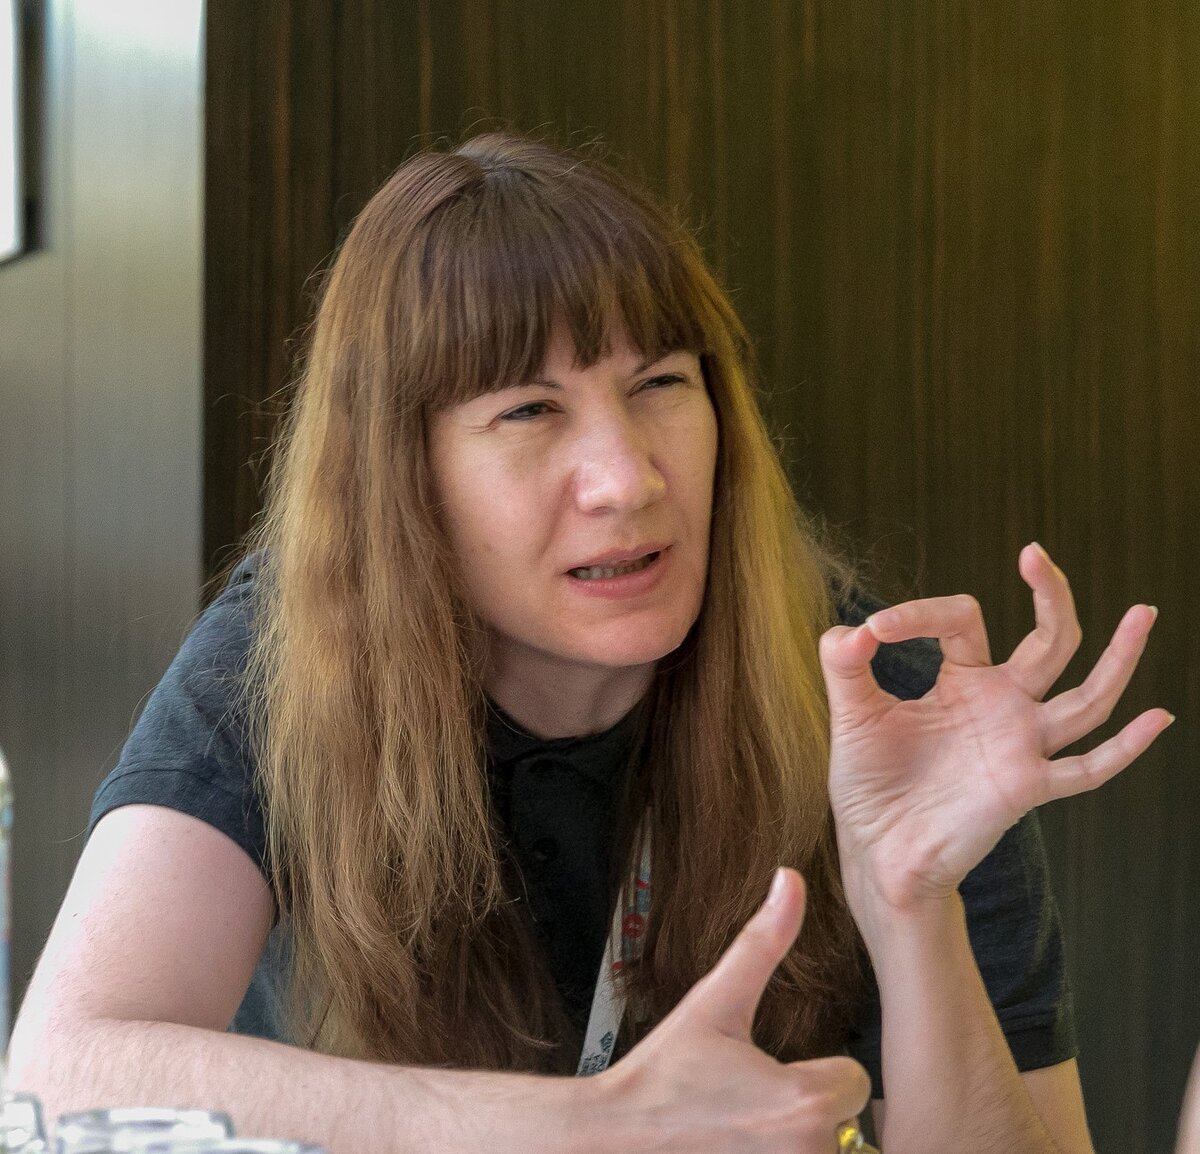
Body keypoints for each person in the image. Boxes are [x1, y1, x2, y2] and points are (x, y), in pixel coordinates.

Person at [8, 132, 1171, 1153]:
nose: (628, 478)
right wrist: (591, 1126)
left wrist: (912, 902)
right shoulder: (290, 651)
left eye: (660, 382)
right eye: (528, 409)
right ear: (401, 476)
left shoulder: (880, 691)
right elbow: (63, 1071)